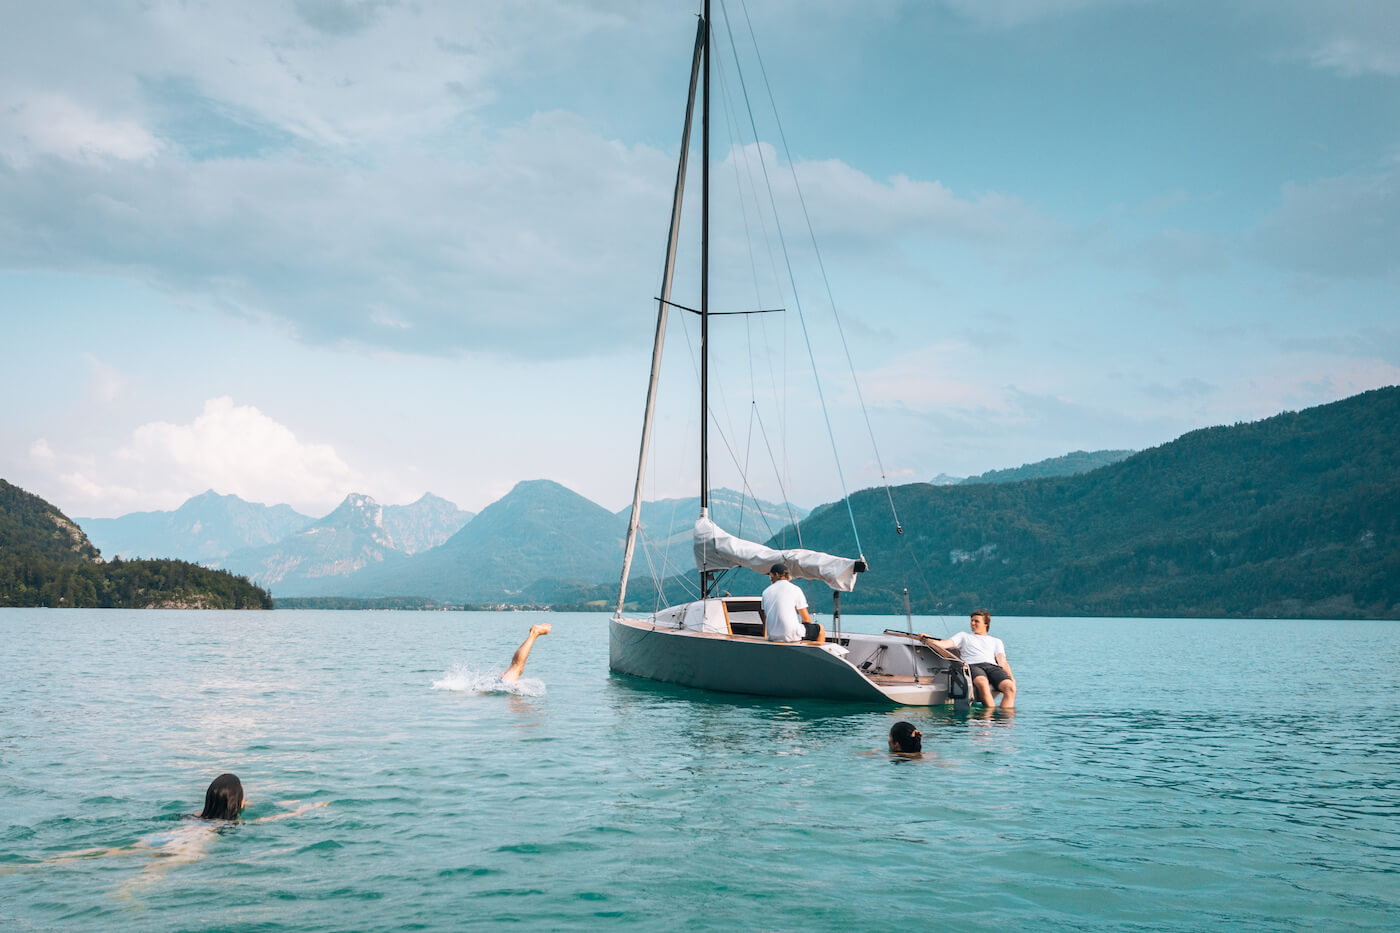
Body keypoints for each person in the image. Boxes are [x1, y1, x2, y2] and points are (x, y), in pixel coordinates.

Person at [930, 609, 1016, 709]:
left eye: (976, 621)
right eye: (971, 621)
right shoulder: (963, 636)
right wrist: (927, 638)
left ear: (985, 624)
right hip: (973, 665)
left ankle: (1005, 719)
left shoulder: (996, 641)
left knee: (1010, 688)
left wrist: (1012, 678)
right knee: (983, 684)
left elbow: (1002, 661)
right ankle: (990, 715)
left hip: (992, 667)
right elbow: (943, 644)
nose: (972, 623)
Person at [760, 564, 824, 643]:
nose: (770, 578)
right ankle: (815, 653)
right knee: (820, 629)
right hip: (791, 635)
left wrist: (767, 637)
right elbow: (806, 619)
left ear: (776, 575)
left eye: (770, 576)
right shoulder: (795, 589)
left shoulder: (765, 592)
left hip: (772, 636)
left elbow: (766, 618)